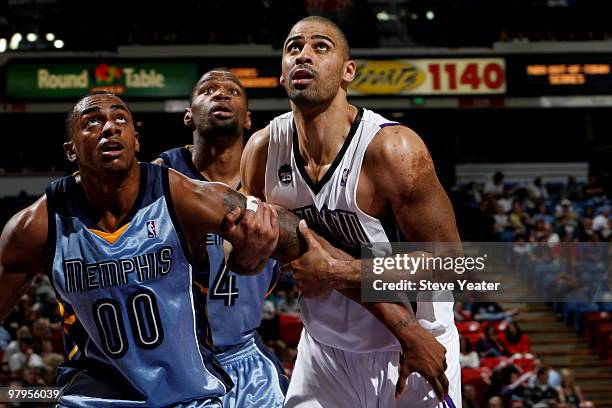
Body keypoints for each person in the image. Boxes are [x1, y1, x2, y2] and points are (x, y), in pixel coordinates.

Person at [0, 91, 307, 408]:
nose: (110, 127)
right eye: (93, 121)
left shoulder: (182, 196)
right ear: (70, 150)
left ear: (135, 141)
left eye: (121, 118)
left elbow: (296, 235)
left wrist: (262, 243)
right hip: (92, 398)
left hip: (191, 394)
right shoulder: (37, 226)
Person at [241, 16, 460, 407]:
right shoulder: (262, 150)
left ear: (348, 72)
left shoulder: (393, 149)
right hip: (325, 351)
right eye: (294, 47)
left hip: (414, 346)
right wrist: (247, 252)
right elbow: (250, 264)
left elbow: (450, 264)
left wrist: (335, 270)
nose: (303, 54)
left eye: (320, 46)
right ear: (281, 74)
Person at [155, 69, 287, 408]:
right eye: (208, 89)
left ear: (247, 118)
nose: (221, 94)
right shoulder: (158, 178)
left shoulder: (279, 183)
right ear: (188, 115)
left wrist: (431, 269)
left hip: (247, 361)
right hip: (174, 363)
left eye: (232, 90)